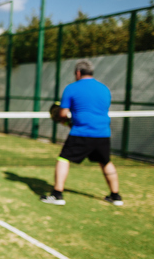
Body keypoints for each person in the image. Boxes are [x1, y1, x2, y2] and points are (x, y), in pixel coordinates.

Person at [40, 59, 122, 207]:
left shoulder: (71, 88)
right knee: (106, 162)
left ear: (78, 73)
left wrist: (65, 121)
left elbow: (63, 114)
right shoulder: (104, 89)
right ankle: (115, 196)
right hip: (103, 132)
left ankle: (57, 194)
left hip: (81, 132)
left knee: (63, 159)